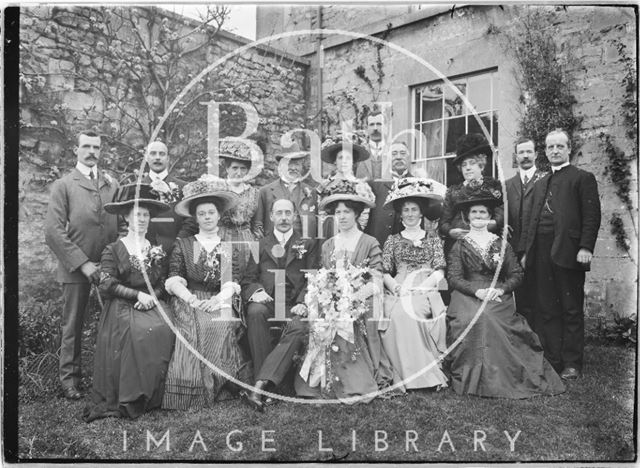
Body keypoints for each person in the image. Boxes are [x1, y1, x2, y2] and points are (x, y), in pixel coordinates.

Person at [445, 183, 566, 398]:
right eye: (475, 212)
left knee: (490, 316)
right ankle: (474, 378)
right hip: (467, 294)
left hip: (496, 293)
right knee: (476, 316)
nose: (479, 216)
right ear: (467, 216)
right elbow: (454, 278)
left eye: (483, 212)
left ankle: (502, 376)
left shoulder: (502, 245)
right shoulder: (460, 245)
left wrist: (500, 290)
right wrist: (477, 292)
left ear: (490, 215)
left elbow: (516, 274)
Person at [296, 178, 399, 403]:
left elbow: (376, 278)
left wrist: (353, 297)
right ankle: (324, 379)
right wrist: (326, 297)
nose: (342, 217)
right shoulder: (328, 244)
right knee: (325, 319)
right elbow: (324, 275)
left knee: (349, 318)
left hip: (361, 298)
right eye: (338, 212)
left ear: (357, 214)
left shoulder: (369, 242)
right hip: (333, 298)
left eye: (347, 212)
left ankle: (355, 379)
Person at [83, 184, 174, 422]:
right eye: (137, 215)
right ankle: (133, 396)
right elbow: (106, 283)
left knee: (166, 328)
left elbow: (163, 280)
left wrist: (152, 296)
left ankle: (158, 395)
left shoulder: (155, 248)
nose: (142, 219)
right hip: (123, 305)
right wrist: (136, 296)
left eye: (145, 215)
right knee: (140, 332)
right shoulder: (113, 249)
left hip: (151, 302)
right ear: (126, 217)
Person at [161, 175, 252, 409]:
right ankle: (191, 391)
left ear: (219, 215)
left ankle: (222, 383)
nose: (207, 217)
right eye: (202, 214)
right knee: (198, 326)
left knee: (220, 323)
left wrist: (219, 300)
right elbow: (173, 278)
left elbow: (232, 281)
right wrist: (191, 298)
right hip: (189, 299)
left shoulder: (226, 245)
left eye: (211, 212)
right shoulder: (184, 244)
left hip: (218, 298)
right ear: (196, 217)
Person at [521, 129, 601, 380]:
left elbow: (592, 216)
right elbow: (531, 220)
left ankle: (572, 363)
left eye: (560, 146)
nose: (555, 151)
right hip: (541, 253)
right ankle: (553, 358)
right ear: (545, 151)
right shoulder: (541, 182)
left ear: (569, 149)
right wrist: (526, 253)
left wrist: (586, 247)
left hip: (569, 252)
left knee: (570, 308)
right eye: (550, 147)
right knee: (546, 307)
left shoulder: (582, 178)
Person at [45, 130, 119, 400]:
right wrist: (83, 263)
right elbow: (53, 232)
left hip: (108, 266)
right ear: (76, 150)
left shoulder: (111, 183)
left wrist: (112, 259)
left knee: (112, 321)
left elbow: (120, 223)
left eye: (96, 147)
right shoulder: (64, 185)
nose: (91, 151)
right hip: (76, 268)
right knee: (72, 324)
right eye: (86, 146)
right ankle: (69, 381)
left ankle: (108, 377)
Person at [242, 199, 318, 411]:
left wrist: (303, 302)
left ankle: (260, 386)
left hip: (294, 303)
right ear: (271, 217)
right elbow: (248, 279)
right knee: (255, 312)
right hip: (268, 301)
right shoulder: (259, 245)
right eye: (279, 213)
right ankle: (267, 383)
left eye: (288, 213)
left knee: (300, 326)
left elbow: (313, 278)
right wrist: (257, 292)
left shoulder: (308, 244)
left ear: (294, 217)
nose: (284, 217)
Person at [380, 177, 448, 390]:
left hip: (424, 288)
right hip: (399, 287)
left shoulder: (433, 239)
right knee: (396, 314)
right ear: (401, 214)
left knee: (411, 312)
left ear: (421, 213)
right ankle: (405, 375)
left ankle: (423, 375)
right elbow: (383, 272)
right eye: (406, 210)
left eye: (414, 209)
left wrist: (419, 288)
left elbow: (439, 272)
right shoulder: (392, 240)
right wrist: (397, 288)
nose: (410, 214)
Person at [121, 140, 197, 253]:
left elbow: (191, 221)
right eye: (153, 153)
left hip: (177, 252)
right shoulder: (134, 188)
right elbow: (124, 221)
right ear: (146, 157)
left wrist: (179, 243)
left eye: (162, 154)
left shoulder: (184, 188)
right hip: (141, 252)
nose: (157, 157)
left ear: (168, 158)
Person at [438, 133, 504, 259]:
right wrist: (451, 232)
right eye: (464, 165)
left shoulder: (494, 186)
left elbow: (501, 215)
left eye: (472, 163)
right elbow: (444, 223)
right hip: (458, 247)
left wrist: (486, 225)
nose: (467, 168)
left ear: (481, 165)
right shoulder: (453, 191)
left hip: (487, 244)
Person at [505, 137, 546, 322]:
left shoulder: (546, 180)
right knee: (519, 298)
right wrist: (502, 224)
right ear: (516, 156)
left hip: (539, 248)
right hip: (514, 248)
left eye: (529, 151)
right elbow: (501, 212)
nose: (525, 156)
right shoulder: (507, 184)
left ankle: (542, 342)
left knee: (540, 297)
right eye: (521, 152)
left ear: (536, 154)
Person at [255, 143, 317, 238]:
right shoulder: (265, 192)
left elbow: (316, 224)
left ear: (301, 166)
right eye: (288, 164)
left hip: (305, 248)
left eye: (296, 164)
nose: (293, 168)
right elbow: (258, 227)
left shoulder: (311, 192)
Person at [317, 132, 373, 236]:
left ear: (353, 161)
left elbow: (364, 214)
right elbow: (321, 213)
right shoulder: (325, 185)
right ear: (335, 161)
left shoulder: (361, 186)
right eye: (340, 158)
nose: (344, 162)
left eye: (348, 158)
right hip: (330, 232)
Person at [218, 144, 261, 272]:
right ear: (227, 168)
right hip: (222, 237)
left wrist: (256, 243)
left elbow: (257, 224)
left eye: (243, 169)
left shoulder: (254, 193)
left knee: (246, 275)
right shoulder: (218, 189)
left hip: (246, 240)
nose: (239, 172)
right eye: (235, 168)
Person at [355, 110, 387, 181]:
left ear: (385, 127)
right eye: (372, 125)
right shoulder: (358, 153)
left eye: (379, 124)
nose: (375, 128)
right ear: (366, 128)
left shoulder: (393, 151)